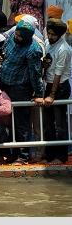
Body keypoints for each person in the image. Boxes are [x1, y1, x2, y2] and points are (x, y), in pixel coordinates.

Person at [0, 20, 45, 164]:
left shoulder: (33, 50)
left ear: (27, 37)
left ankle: (23, 156)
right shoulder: (12, 38)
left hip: (20, 88)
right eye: (16, 34)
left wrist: (38, 94)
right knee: (8, 121)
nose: (16, 37)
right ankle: (12, 152)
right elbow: (5, 50)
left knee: (21, 124)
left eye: (19, 36)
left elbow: (35, 74)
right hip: (4, 84)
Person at [42, 19, 71, 165]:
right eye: (49, 33)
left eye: (53, 34)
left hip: (59, 87)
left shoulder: (64, 49)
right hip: (47, 85)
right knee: (48, 124)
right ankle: (49, 154)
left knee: (60, 124)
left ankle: (61, 157)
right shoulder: (48, 43)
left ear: (59, 35)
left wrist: (52, 95)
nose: (50, 36)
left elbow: (58, 74)